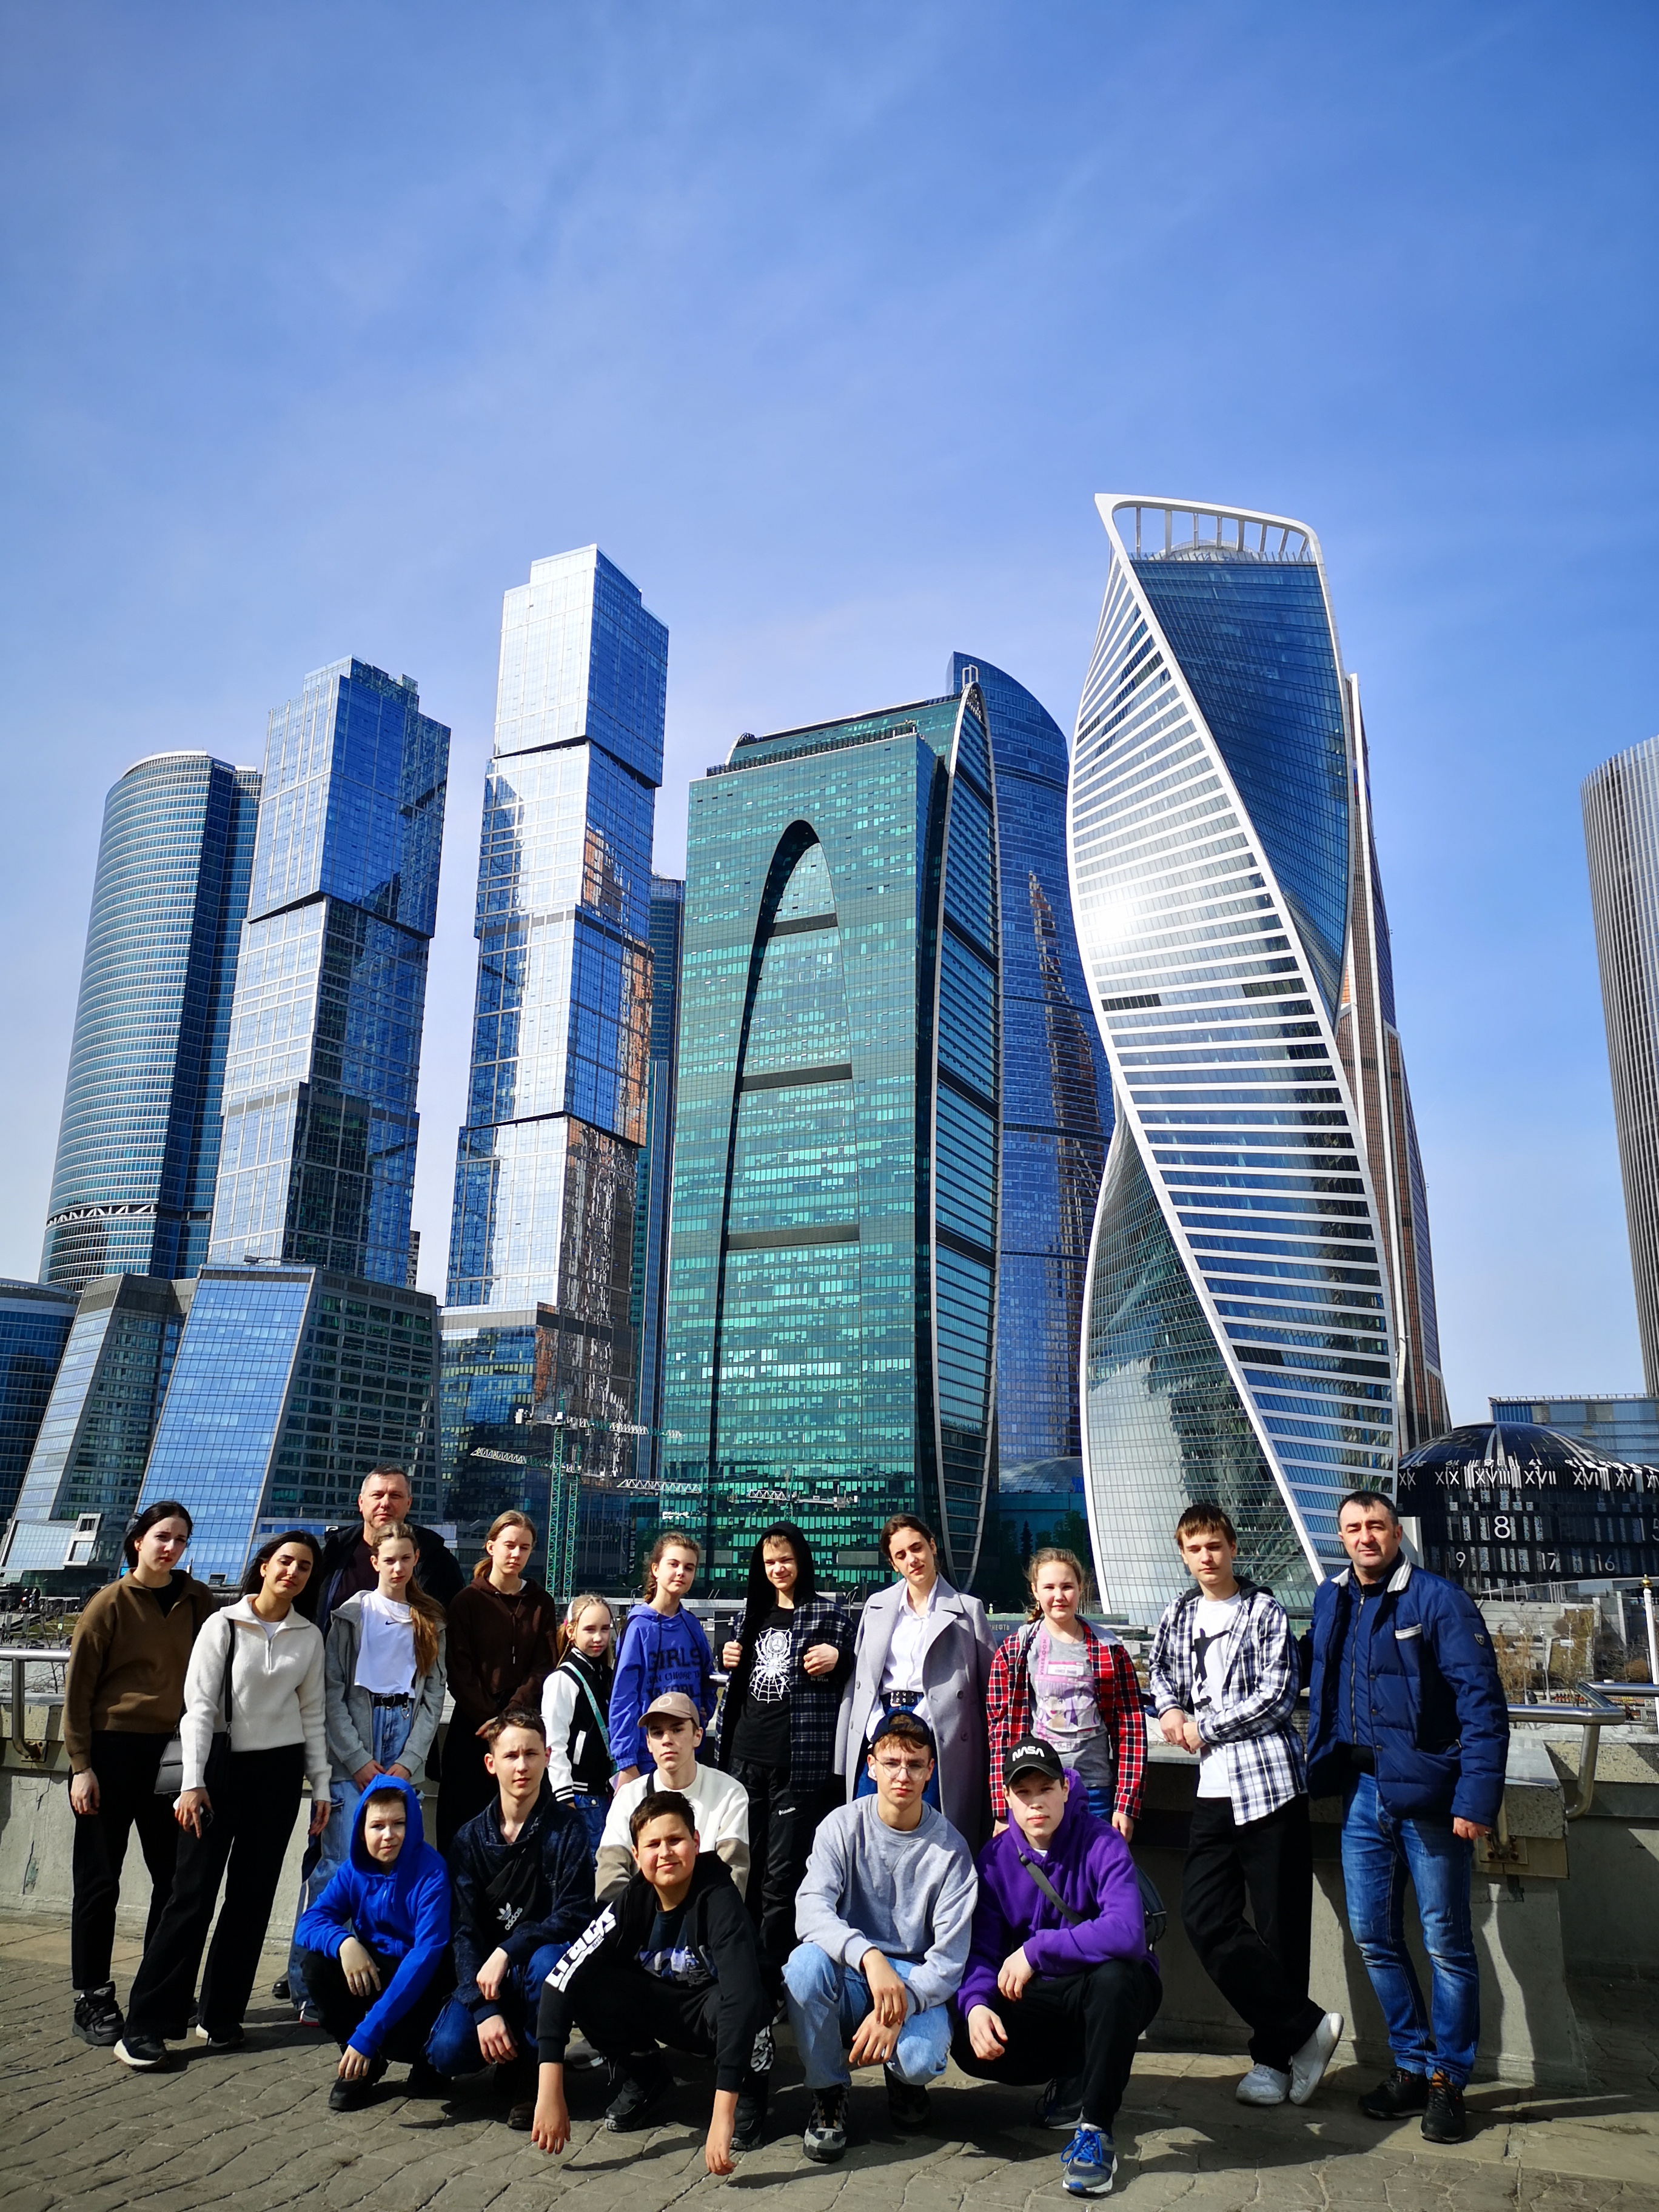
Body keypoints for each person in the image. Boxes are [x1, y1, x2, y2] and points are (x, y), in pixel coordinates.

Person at [1307, 1489, 1510, 2145]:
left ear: (1397, 1533)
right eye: (1353, 1528)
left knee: (1446, 1941)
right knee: (1374, 1935)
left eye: (1376, 1526)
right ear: (1341, 1537)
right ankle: (1413, 2066)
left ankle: (1450, 2080)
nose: (1365, 1537)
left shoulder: (1439, 1600)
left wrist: (1474, 1801)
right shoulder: (1333, 1597)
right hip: (1362, 1792)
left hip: (1431, 1797)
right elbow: (1310, 1665)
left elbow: (1483, 1706)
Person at [1148, 1504, 1342, 2109]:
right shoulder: (1179, 1613)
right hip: (1212, 1790)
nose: (1206, 1557)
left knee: (1281, 1925)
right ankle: (1307, 2028)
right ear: (1183, 1555)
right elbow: (1161, 1673)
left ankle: (1273, 2061)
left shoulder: (1264, 1610)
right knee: (1204, 1916)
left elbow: (1278, 1696)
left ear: (1233, 1548)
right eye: (1194, 1548)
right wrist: (1170, 1710)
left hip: (1269, 1786)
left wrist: (1202, 1726)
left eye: (1214, 1545)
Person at [115, 1531, 331, 2070]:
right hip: (219, 1767)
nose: (294, 1573)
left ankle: (221, 2015)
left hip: (280, 1774)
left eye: (305, 1567)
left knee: (252, 1900)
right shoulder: (223, 1624)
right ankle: (146, 2024)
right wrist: (192, 1783)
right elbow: (199, 1710)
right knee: (191, 1896)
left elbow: (312, 1716)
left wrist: (322, 1786)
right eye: (286, 1562)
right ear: (264, 1565)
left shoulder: (309, 1635)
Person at [953, 1738, 1164, 2199]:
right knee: (964, 2033)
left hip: (1114, 1990)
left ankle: (1096, 2130)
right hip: (1048, 1996)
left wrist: (1036, 1951)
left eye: (1045, 1789)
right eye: (1023, 1792)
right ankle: (1076, 2075)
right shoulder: (994, 1858)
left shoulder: (1102, 1841)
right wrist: (976, 2006)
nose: (1036, 1803)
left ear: (1065, 1789)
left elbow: (1127, 1931)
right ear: (1007, 1799)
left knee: (1115, 1979)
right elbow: (982, 1951)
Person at [531, 1790, 775, 2171]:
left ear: (696, 1841)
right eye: (653, 1844)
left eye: (676, 1840)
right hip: (670, 2007)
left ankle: (747, 2087)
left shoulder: (719, 1897)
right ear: (636, 1854)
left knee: (747, 2004)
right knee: (589, 1985)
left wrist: (721, 2114)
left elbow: (742, 1997)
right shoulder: (633, 1900)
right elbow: (560, 1978)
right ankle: (646, 2076)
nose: (665, 1853)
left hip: (723, 2014)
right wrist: (549, 2091)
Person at [783, 1709, 977, 2162]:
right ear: (871, 1765)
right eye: (891, 1763)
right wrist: (868, 1957)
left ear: (930, 1770)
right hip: (854, 1969)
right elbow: (810, 1909)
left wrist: (897, 2007)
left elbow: (949, 1961)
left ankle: (903, 2080)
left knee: (920, 2061)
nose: (902, 1775)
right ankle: (828, 2091)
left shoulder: (952, 1851)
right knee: (803, 1968)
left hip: (914, 1979)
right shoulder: (841, 1826)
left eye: (915, 1765)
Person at [63, 1501, 219, 2047]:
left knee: (174, 1880)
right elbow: (78, 1691)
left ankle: (158, 1990)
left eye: (181, 1539)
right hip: (111, 1750)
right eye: (162, 1537)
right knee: (99, 1881)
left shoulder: (198, 1599)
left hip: (172, 1750)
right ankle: (93, 1996)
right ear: (138, 1542)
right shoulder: (108, 1603)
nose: (171, 1548)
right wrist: (81, 1767)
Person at [289, 1521, 450, 2012]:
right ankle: (310, 1988)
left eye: (406, 1559)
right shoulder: (350, 1616)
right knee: (337, 1866)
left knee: (396, 1866)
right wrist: (358, 1760)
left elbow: (433, 1698)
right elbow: (331, 1693)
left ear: (416, 1561)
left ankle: (382, 1979)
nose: (398, 1568)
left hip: (403, 1740)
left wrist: (408, 1763)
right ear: (375, 1561)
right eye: (389, 1559)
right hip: (356, 1744)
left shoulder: (430, 1621)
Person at [427, 1709, 596, 2123]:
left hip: (538, 1968)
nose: (522, 1766)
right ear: (491, 1763)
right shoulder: (469, 1839)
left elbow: (575, 1913)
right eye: (511, 1756)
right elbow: (462, 1931)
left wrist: (510, 1949)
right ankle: (509, 2054)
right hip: (488, 1979)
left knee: (548, 1960)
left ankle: (535, 2073)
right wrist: (482, 2009)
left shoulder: (569, 1829)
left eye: (531, 1754)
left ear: (547, 1757)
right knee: (447, 2051)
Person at [715, 1522, 853, 1963]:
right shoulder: (748, 1617)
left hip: (797, 1763)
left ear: (802, 1562)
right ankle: (738, 1959)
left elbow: (860, 1676)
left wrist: (841, 1658)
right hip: (743, 1757)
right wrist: (726, 1655)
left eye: (786, 1560)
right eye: (770, 1562)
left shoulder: (830, 1617)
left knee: (783, 1871)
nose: (778, 1569)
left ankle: (774, 1966)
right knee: (741, 1862)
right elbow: (734, 1681)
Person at [292, 1774, 452, 2110]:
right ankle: (363, 2065)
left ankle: (426, 2059)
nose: (388, 1835)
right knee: (316, 1966)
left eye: (399, 1824)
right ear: (361, 1830)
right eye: (377, 1825)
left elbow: (424, 1957)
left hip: (424, 1984)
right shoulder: (353, 1870)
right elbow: (309, 1923)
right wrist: (344, 1943)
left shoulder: (432, 1872)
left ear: (413, 1824)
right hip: (377, 1971)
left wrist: (370, 2031)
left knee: (429, 2045)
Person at [839, 1512, 997, 1847]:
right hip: (881, 1723)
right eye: (901, 1555)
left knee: (932, 1834)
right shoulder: (877, 1606)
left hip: (941, 1734)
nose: (912, 1559)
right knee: (869, 1829)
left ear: (932, 1546)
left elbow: (989, 1690)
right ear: (894, 1564)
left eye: (917, 1548)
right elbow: (861, 1680)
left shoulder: (969, 1611)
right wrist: (873, 1723)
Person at [985, 1546, 1146, 1838]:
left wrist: (1125, 1804)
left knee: (1092, 1865)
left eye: (1067, 1587)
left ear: (1080, 1588)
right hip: (1036, 1788)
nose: (1059, 1596)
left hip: (1093, 1788)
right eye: (1049, 1587)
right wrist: (1002, 1808)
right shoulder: (1015, 1651)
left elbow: (1130, 1729)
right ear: (1035, 1591)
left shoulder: (1109, 1650)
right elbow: (1001, 1733)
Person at [437, 1509, 560, 1850]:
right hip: (474, 1727)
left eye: (525, 1547)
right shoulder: (467, 1601)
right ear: (491, 1547)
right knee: (462, 1825)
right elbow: (458, 1668)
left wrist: (511, 1718)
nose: (516, 1554)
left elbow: (544, 1666)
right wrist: (490, 1719)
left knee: (523, 1825)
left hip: (523, 1724)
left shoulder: (541, 1603)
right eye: (509, 1545)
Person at [597, 1692, 749, 1901]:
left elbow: (732, 1879)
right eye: (657, 1733)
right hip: (638, 1916)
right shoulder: (628, 1797)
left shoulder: (730, 1793)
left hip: (709, 1916)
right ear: (648, 1743)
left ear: (698, 1736)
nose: (667, 1740)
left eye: (677, 1730)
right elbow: (609, 1878)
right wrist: (643, 1915)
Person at [610, 1530, 716, 1782]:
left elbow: (709, 1678)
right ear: (656, 1569)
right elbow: (623, 1697)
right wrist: (626, 1762)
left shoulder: (692, 1625)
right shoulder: (638, 1627)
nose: (681, 1572)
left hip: (688, 1752)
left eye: (689, 1568)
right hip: (647, 1755)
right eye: (674, 1564)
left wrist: (703, 1713)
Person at [314, 1464, 465, 1635]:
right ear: (361, 1502)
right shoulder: (333, 1554)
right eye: (377, 1495)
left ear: (409, 1504)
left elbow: (455, 1625)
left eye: (395, 1496)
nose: (385, 1503)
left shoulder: (436, 1560)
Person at [541, 1593, 617, 1859]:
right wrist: (565, 1797)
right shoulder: (563, 1679)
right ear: (571, 1632)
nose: (599, 1638)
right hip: (579, 1796)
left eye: (605, 1629)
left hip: (605, 1793)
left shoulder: (606, 1675)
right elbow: (554, 1742)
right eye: (590, 1630)